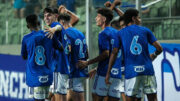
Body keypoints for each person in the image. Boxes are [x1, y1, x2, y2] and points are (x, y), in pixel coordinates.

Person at [105, 8, 163, 101]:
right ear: (133, 18)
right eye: (139, 18)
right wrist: (154, 55)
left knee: (130, 99)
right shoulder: (145, 30)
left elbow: (114, 53)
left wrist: (108, 72)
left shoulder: (120, 33)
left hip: (132, 72)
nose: (140, 20)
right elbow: (159, 48)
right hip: (147, 70)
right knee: (153, 98)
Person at [77, 8, 121, 101]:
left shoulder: (103, 33)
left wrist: (87, 63)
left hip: (104, 73)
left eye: (98, 16)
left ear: (104, 19)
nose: (95, 18)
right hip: (117, 73)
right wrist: (96, 68)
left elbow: (106, 54)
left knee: (96, 97)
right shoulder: (117, 33)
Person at [21, 14, 63, 101]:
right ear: (39, 23)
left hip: (35, 77)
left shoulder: (26, 38)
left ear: (28, 26)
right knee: (47, 98)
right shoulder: (49, 34)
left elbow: (24, 56)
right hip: (48, 75)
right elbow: (61, 48)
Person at [58, 13, 89, 101]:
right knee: (79, 94)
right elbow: (87, 53)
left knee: (70, 96)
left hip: (72, 69)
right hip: (81, 69)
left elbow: (68, 50)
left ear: (62, 22)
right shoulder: (80, 33)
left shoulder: (66, 33)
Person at [43, 7, 70, 101]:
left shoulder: (55, 25)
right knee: (57, 94)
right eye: (45, 15)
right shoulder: (61, 30)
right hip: (63, 66)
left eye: (49, 15)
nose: (46, 17)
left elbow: (58, 27)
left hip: (58, 66)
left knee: (57, 95)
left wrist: (54, 29)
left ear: (56, 16)